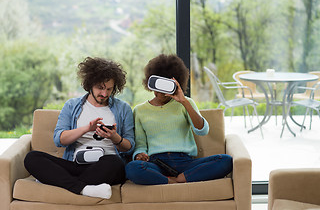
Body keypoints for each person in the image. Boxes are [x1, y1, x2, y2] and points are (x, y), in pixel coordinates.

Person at [24, 57, 135, 199]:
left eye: (109, 89)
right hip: (75, 165)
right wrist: (86, 129)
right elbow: (60, 139)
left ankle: (58, 180)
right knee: (32, 158)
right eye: (100, 88)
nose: (104, 94)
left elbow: (130, 147)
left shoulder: (123, 108)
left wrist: (114, 137)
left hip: (106, 167)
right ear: (90, 84)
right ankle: (84, 188)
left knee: (115, 163)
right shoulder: (72, 106)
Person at [125, 54, 232, 185]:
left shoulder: (186, 103)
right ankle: (171, 180)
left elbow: (202, 131)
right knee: (132, 168)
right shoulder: (140, 110)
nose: (161, 93)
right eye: (158, 86)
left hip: (185, 162)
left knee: (225, 160)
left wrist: (184, 101)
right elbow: (140, 145)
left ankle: (179, 179)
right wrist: (139, 155)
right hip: (156, 164)